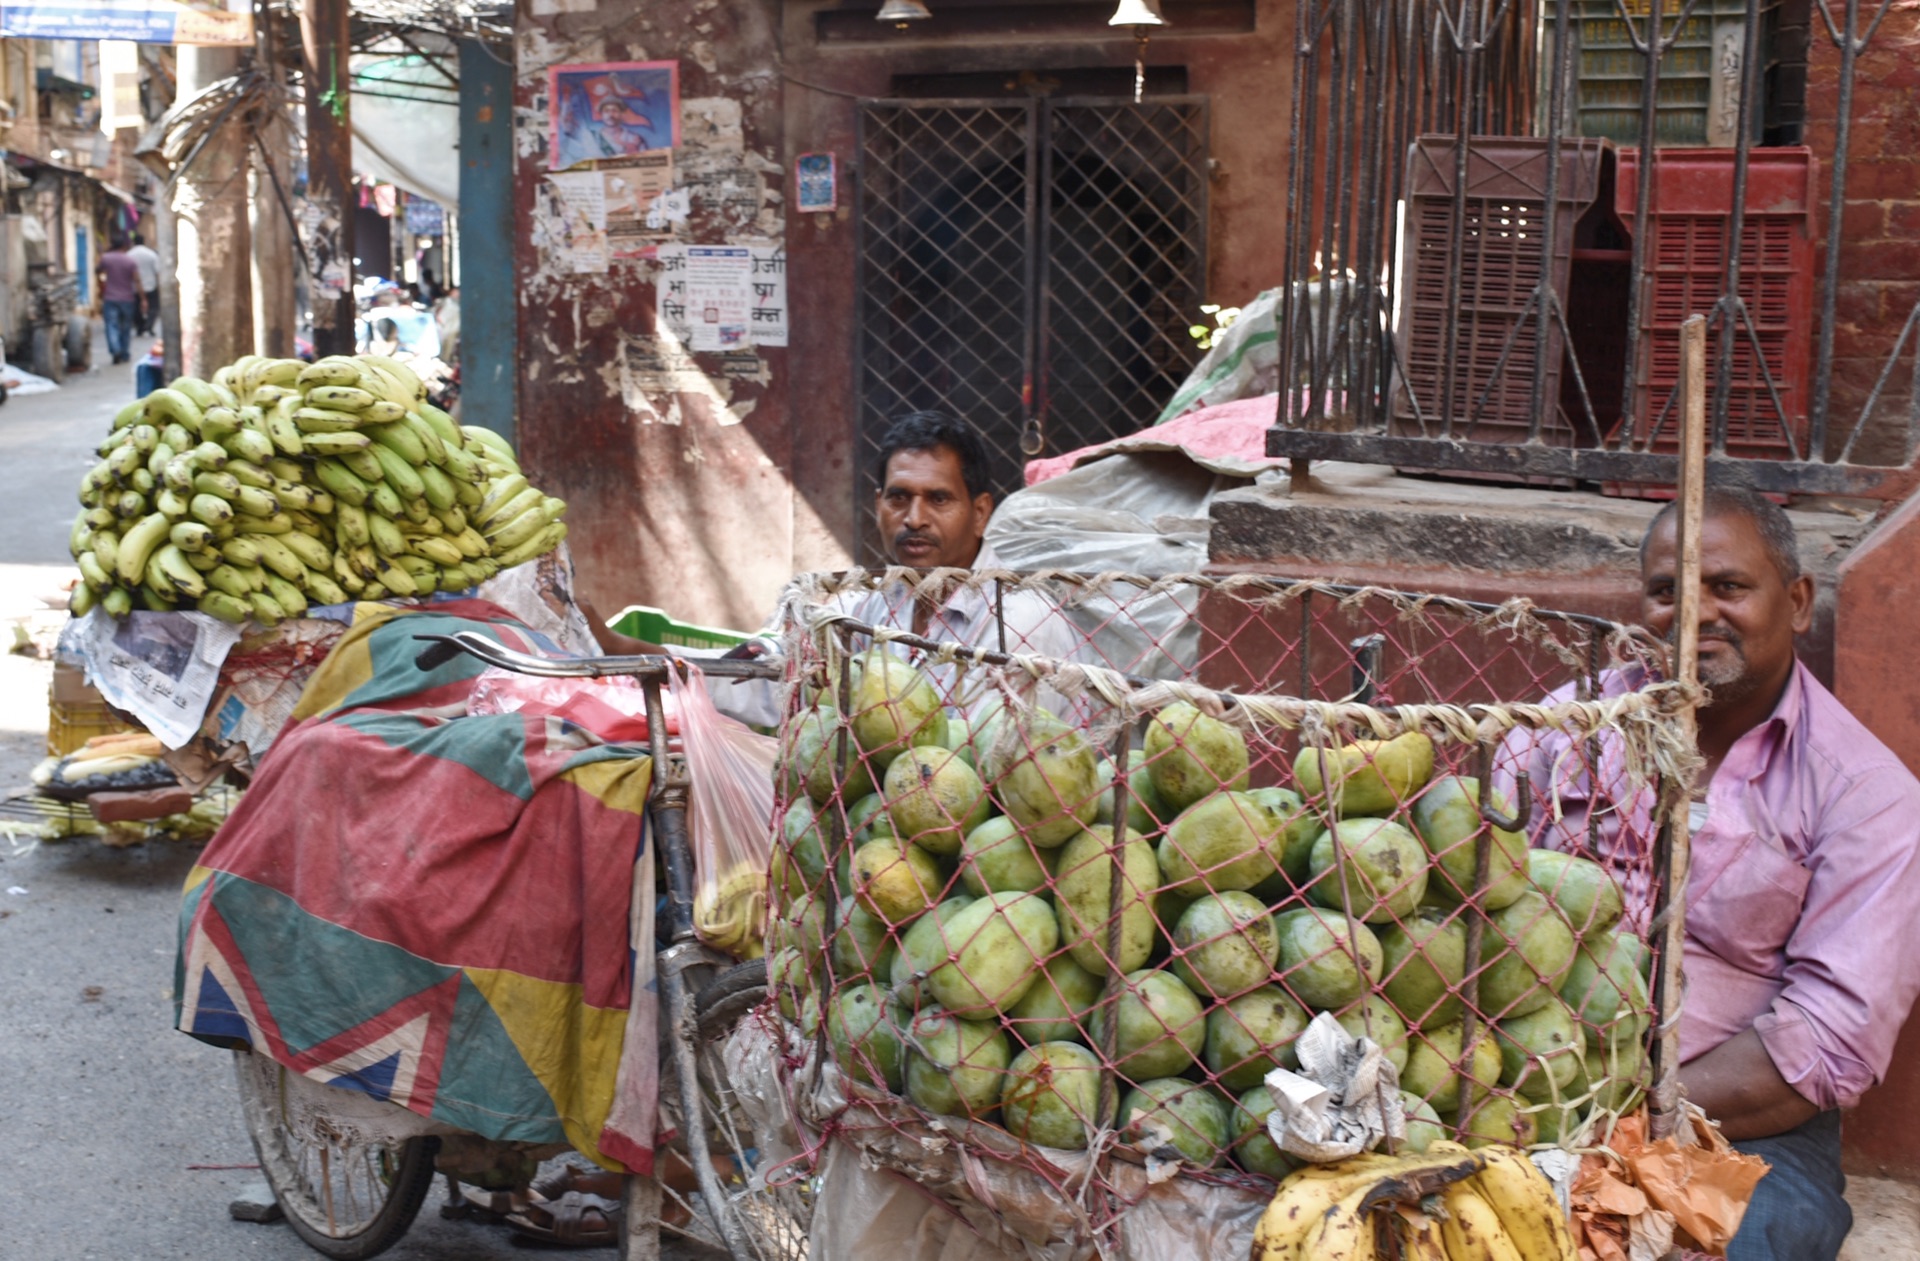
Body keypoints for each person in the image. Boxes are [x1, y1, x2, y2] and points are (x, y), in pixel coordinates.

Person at [1507, 486, 1920, 1261]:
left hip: (1738, 1124)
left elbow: (1828, 1045)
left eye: (1726, 586)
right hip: (1522, 1085)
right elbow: (1470, 895)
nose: (1691, 613)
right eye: (1667, 592)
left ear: (1797, 602)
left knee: (1742, 1242)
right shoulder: (1568, 730)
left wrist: (1622, 1115)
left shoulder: (1866, 793)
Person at [586, 411, 1080, 724]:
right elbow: (759, 675)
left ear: (980, 511)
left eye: (939, 499)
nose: (914, 518)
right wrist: (623, 651)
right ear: (877, 504)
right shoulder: (866, 605)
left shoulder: (1021, 623)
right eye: (899, 498)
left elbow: (991, 772)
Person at [96, 234, 141, 364]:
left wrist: (101, 285)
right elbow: (137, 280)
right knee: (125, 327)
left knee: (111, 325)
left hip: (110, 297)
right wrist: (143, 298)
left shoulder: (106, 258)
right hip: (127, 298)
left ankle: (115, 349)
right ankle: (125, 353)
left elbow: (98, 271)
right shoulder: (130, 260)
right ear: (124, 245)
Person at [127, 232, 161, 336]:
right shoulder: (151, 254)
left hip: (134, 287)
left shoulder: (129, 255)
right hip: (150, 285)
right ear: (144, 241)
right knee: (153, 308)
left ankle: (140, 327)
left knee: (136, 308)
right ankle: (149, 326)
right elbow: (157, 271)